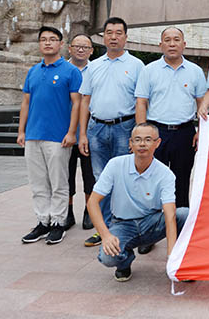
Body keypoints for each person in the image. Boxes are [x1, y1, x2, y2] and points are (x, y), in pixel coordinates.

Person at [87, 123, 188, 282]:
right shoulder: (115, 165)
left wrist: (171, 256)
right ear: (130, 143)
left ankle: (183, 260)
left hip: (151, 223)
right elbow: (93, 202)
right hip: (122, 223)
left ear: (157, 143)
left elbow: (170, 215)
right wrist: (105, 236)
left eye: (148, 140)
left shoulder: (165, 174)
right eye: (138, 140)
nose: (142, 144)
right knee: (108, 257)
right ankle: (124, 262)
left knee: (185, 214)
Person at [78, 17, 145, 248]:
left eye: (118, 33)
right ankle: (104, 229)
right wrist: (83, 134)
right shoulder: (93, 66)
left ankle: (131, 228)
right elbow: (85, 101)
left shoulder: (137, 66)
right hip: (96, 129)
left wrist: (138, 135)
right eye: (109, 32)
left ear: (125, 37)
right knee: (102, 180)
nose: (113, 37)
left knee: (127, 179)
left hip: (124, 128)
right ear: (103, 37)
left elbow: (141, 101)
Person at [18, 26, 83, 245]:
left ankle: (58, 222)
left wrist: (72, 132)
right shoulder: (33, 71)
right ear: (39, 44)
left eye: (52, 39)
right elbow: (26, 102)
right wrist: (21, 131)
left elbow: (77, 103)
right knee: (37, 183)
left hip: (58, 137)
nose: (48, 43)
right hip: (33, 135)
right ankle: (42, 221)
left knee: (58, 183)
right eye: (44, 39)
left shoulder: (70, 71)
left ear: (61, 44)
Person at [135, 27, 206, 207]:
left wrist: (201, 131)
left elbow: (202, 104)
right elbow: (141, 102)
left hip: (184, 132)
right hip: (156, 132)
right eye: (167, 40)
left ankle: (180, 218)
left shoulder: (195, 71)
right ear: (161, 45)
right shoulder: (149, 70)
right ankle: (152, 218)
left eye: (176, 40)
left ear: (184, 44)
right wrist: (141, 134)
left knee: (181, 179)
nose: (172, 44)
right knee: (151, 179)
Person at [66, 34, 95, 231]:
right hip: (64, 132)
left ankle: (89, 211)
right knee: (65, 175)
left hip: (89, 132)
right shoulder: (62, 69)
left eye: (85, 47)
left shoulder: (96, 69)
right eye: (77, 46)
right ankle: (67, 211)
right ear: (70, 48)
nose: (81, 49)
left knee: (90, 175)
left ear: (91, 51)